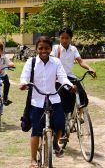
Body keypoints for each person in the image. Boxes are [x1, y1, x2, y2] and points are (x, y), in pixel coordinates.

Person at [19, 36, 76, 168]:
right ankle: (33, 160)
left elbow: (62, 76)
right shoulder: (31, 62)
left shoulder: (56, 62)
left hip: (53, 98)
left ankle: (55, 143)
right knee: (36, 130)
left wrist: (69, 85)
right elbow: (25, 76)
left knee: (60, 122)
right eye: (41, 48)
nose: (44, 51)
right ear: (36, 49)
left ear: (51, 49)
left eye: (47, 48)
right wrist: (24, 84)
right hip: (37, 100)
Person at [50, 27, 96, 140]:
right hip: (58, 78)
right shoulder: (56, 49)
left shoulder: (73, 49)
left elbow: (80, 61)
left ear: (71, 39)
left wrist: (89, 68)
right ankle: (64, 125)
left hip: (70, 76)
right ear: (59, 38)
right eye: (62, 38)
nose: (64, 40)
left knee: (82, 95)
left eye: (67, 38)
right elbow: (51, 61)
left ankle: (79, 115)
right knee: (64, 101)